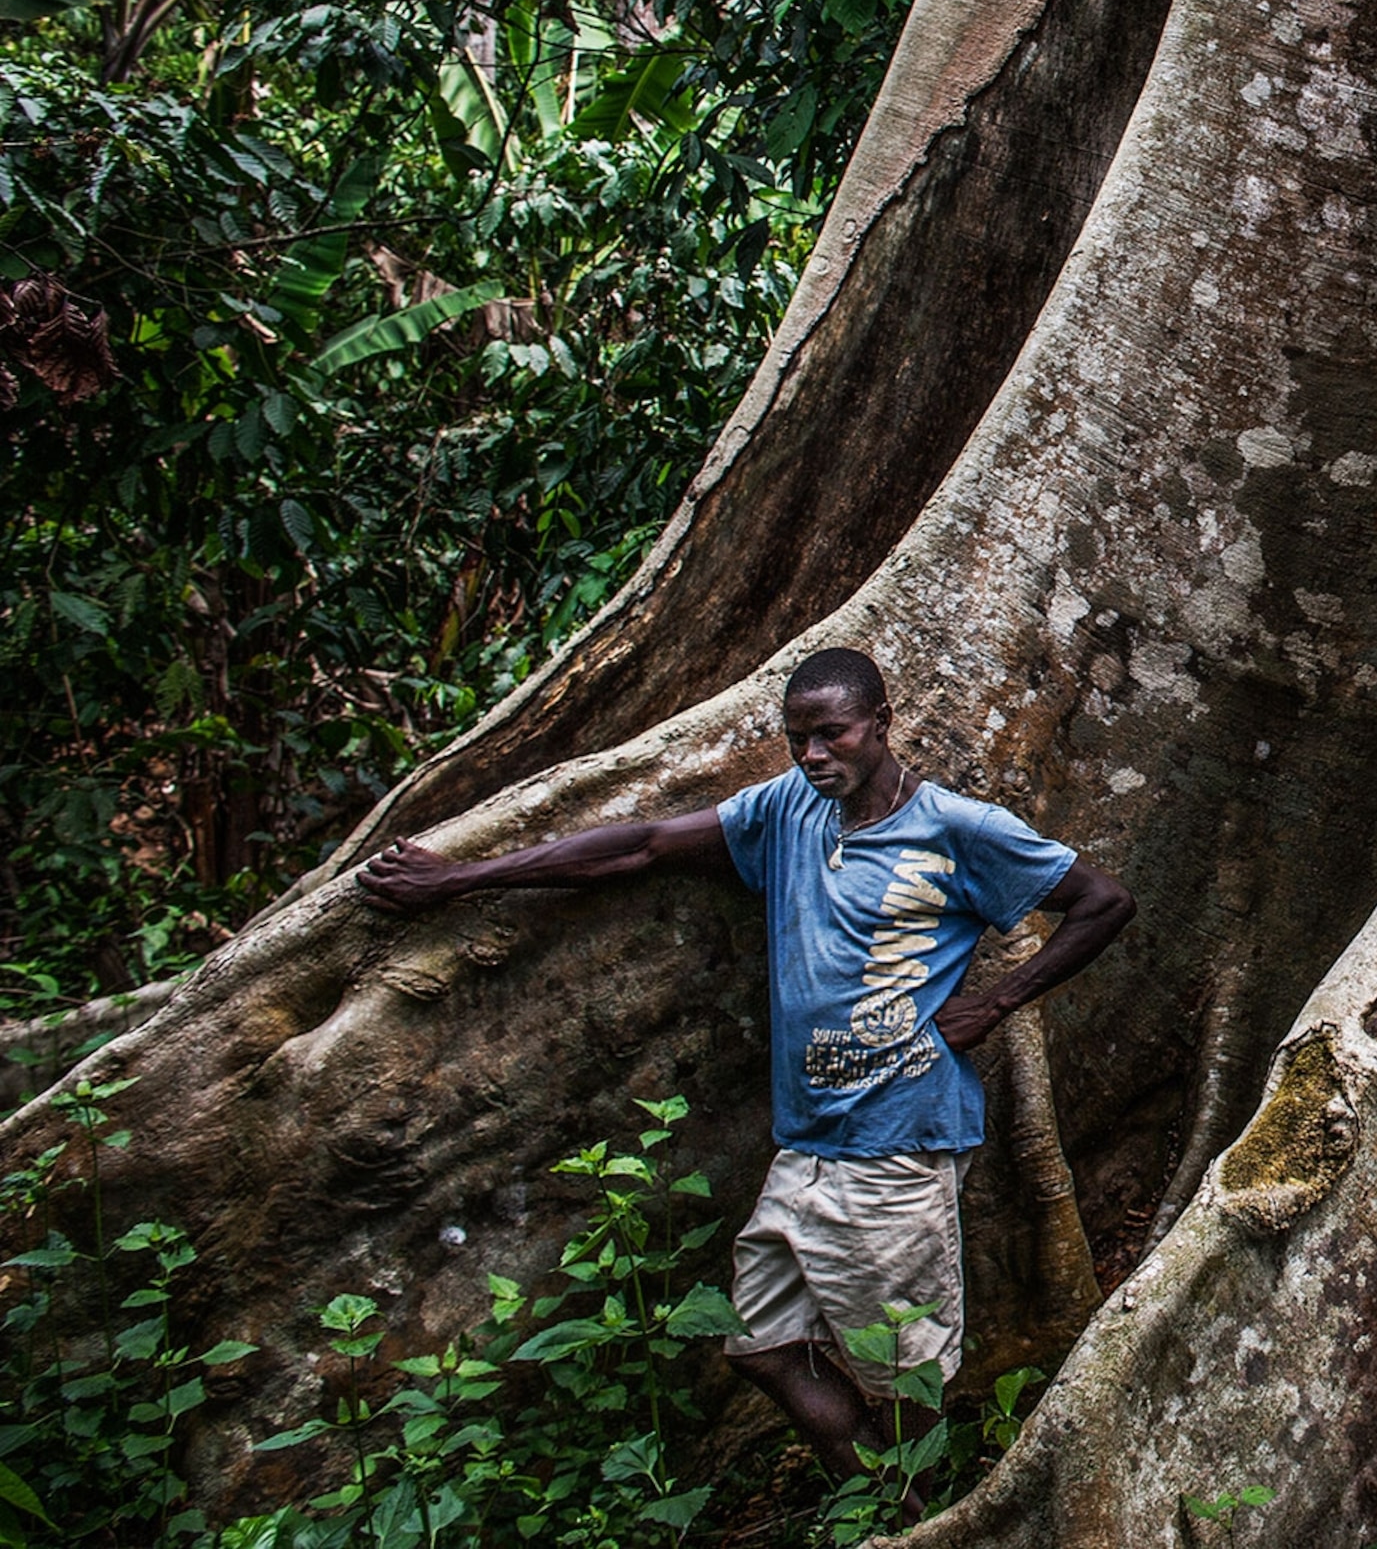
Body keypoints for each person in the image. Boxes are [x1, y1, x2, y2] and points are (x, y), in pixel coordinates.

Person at [356, 645, 1135, 1508]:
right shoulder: (786, 810)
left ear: (882, 723)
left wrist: (994, 1004)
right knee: (760, 1342)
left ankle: (927, 1518)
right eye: (797, 739)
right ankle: (887, 1505)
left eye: (832, 735)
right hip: (806, 1144)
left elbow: (1103, 902)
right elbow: (644, 846)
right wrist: (462, 879)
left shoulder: (957, 828)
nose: (813, 756)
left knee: (904, 1377)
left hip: (898, 1141)